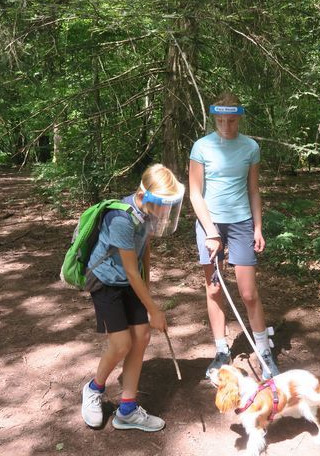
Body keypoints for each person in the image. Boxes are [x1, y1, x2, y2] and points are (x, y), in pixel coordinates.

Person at [81, 163, 185, 430]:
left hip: (129, 282)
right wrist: (154, 309)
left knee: (142, 336)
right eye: (163, 204)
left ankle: (126, 410)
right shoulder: (120, 220)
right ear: (145, 196)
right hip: (105, 282)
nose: (165, 211)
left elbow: (143, 255)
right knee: (121, 344)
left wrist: (147, 294)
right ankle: (94, 389)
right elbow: (129, 270)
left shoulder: (147, 215)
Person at [189, 92, 280, 380]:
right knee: (214, 289)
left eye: (231, 120)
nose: (226, 126)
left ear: (239, 117)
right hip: (209, 223)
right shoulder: (201, 147)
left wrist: (258, 227)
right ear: (214, 118)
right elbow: (194, 192)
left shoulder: (250, 147)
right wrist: (211, 231)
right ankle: (221, 351)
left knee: (248, 293)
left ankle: (264, 350)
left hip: (241, 222)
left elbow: (254, 190)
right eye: (220, 120)